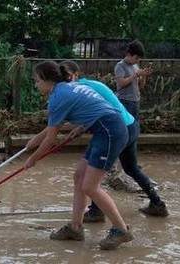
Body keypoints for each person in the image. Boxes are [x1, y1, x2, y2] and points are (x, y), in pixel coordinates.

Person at [25, 61, 132, 250]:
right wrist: (34, 141)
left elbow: (51, 139)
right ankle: (75, 228)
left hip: (109, 131)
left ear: (47, 80)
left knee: (90, 186)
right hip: (104, 130)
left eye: (36, 81)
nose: (35, 85)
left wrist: (33, 159)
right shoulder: (66, 89)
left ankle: (121, 229)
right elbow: (52, 128)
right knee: (79, 176)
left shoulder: (58, 98)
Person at [59, 60, 168, 222]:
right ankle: (157, 203)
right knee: (131, 168)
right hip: (130, 125)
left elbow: (99, 112)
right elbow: (101, 110)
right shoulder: (91, 84)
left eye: (65, 80)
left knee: (94, 170)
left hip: (115, 130)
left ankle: (97, 211)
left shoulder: (80, 89)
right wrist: (81, 127)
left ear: (74, 75)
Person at [115, 40, 152, 121]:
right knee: (127, 127)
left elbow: (141, 86)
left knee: (135, 128)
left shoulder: (135, 65)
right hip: (125, 101)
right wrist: (136, 75)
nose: (137, 60)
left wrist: (143, 76)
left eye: (139, 58)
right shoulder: (120, 66)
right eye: (136, 58)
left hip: (135, 101)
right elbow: (121, 83)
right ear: (128, 54)